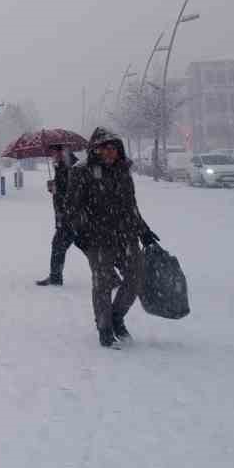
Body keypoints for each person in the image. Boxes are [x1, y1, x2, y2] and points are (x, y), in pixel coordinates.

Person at [65, 127, 159, 348]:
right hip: (97, 239)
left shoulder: (123, 171)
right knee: (103, 283)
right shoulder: (82, 172)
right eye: (104, 147)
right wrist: (81, 232)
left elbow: (130, 206)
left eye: (113, 147)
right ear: (94, 150)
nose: (109, 151)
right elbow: (72, 207)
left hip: (126, 236)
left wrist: (143, 230)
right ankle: (105, 327)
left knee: (135, 279)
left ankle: (117, 317)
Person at [35, 144, 78, 286]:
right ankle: (113, 276)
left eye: (53, 152)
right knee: (89, 246)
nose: (52, 155)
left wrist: (56, 188)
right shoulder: (62, 165)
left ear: (61, 151)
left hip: (70, 215)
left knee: (58, 245)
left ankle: (55, 277)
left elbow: (72, 190)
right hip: (67, 215)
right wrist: (54, 187)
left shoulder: (71, 166)